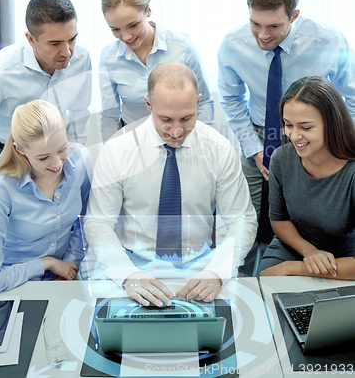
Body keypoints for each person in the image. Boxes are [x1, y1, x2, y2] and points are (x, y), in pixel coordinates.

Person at [85, 62, 257, 307]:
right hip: (130, 263)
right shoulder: (117, 149)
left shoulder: (219, 149)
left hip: (200, 265)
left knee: (228, 332)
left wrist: (217, 272)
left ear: (198, 103)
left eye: (186, 118)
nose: (176, 131)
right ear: (148, 105)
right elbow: (98, 222)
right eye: (165, 119)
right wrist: (128, 275)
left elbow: (241, 219)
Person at [218, 0, 355, 218]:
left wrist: (337, 141)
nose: (262, 35)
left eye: (273, 26)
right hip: (260, 134)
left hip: (315, 136)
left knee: (305, 216)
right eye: (255, 24)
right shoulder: (232, 44)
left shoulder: (328, 41)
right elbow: (231, 98)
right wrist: (253, 148)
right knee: (247, 217)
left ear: (294, 16)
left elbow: (353, 96)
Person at [0, 0, 92, 195]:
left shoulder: (82, 57)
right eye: (55, 44)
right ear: (31, 39)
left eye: (72, 39)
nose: (67, 52)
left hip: (58, 155)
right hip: (10, 158)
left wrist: (74, 155)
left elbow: (80, 110)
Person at [0, 100, 92, 296]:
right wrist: (47, 264)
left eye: (62, 148)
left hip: (64, 278)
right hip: (12, 285)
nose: (57, 164)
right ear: (19, 149)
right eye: (43, 157)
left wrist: (69, 264)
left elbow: (86, 221)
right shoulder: (1, 187)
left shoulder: (81, 160)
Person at [258, 77, 355, 280]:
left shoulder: (352, 171)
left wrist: (294, 268)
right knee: (265, 286)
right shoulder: (281, 158)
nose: (293, 136)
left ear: (332, 123)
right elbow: (279, 220)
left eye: (305, 127)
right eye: (288, 125)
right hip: (293, 245)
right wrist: (309, 252)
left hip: (346, 258)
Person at [99, 0, 214, 142]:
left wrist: (204, 143)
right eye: (116, 29)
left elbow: (204, 102)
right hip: (136, 144)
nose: (125, 36)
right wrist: (109, 154)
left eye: (132, 25)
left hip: (184, 140)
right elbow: (110, 116)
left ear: (148, 11)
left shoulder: (182, 46)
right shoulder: (108, 58)